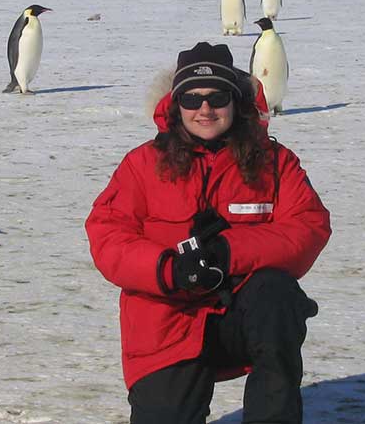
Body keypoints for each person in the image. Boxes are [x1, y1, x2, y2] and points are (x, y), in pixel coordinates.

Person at [85, 42, 331, 423]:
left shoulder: (273, 162)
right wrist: (168, 269)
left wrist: (229, 252)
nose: (204, 109)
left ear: (235, 101)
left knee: (276, 295)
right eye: (191, 99)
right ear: (174, 104)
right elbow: (107, 234)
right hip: (167, 319)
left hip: (241, 313)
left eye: (217, 97)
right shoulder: (142, 164)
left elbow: (308, 225)